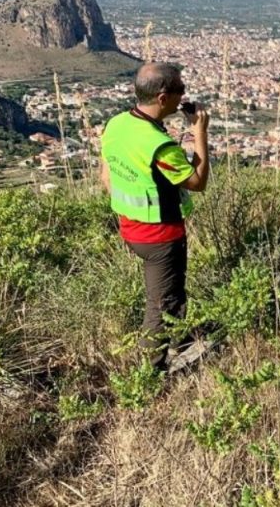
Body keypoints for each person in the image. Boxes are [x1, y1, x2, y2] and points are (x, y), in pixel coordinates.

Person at [100, 62, 210, 370]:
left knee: (171, 291)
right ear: (163, 98)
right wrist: (199, 134)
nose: (183, 96)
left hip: (130, 226)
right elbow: (197, 182)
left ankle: (182, 339)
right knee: (160, 306)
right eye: (180, 91)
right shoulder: (159, 146)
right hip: (160, 236)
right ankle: (151, 375)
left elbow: (106, 177)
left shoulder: (117, 124)